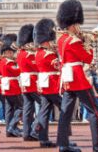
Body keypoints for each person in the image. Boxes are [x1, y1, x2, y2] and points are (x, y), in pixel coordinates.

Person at [55, 0, 98, 152]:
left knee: (66, 113)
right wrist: (88, 43)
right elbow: (87, 58)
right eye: (77, 24)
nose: (79, 27)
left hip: (68, 80)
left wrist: (83, 39)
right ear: (73, 24)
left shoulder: (62, 39)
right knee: (93, 111)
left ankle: (63, 144)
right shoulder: (74, 40)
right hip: (78, 79)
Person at [34, 18, 72, 149]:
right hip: (52, 86)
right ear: (46, 41)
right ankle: (65, 139)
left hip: (45, 86)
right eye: (51, 41)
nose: (53, 43)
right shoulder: (48, 55)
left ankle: (43, 139)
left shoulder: (39, 53)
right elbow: (59, 66)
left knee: (44, 113)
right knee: (65, 111)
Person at [17, 24, 39, 141]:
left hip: (26, 83)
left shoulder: (21, 54)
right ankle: (35, 128)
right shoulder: (28, 55)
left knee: (28, 109)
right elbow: (37, 67)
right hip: (32, 82)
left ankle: (27, 133)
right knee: (46, 104)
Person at [0, 34, 22, 139]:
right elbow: (16, 72)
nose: (11, 54)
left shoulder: (3, 61)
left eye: (11, 52)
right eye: (9, 52)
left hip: (7, 88)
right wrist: (21, 65)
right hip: (13, 88)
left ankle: (10, 130)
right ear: (6, 53)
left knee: (9, 109)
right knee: (21, 107)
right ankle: (12, 126)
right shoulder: (8, 62)